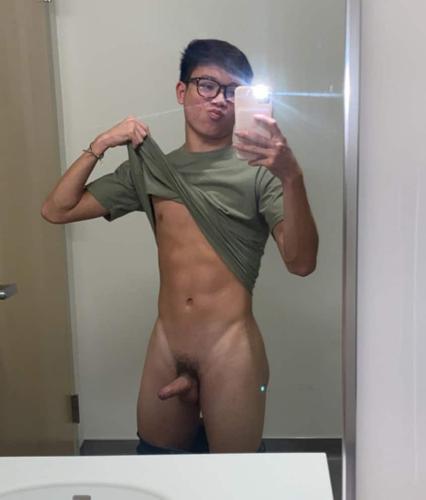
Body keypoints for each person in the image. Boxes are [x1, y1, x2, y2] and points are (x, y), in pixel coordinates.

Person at [41, 39, 318, 454]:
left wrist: (292, 176)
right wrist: (100, 144)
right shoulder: (154, 169)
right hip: (167, 344)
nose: (219, 99)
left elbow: (301, 262)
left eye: (233, 90)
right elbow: (56, 209)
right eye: (207, 85)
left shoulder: (261, 173)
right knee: (157, 465)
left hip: (231, 349)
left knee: (235, 478)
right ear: (181, 91)